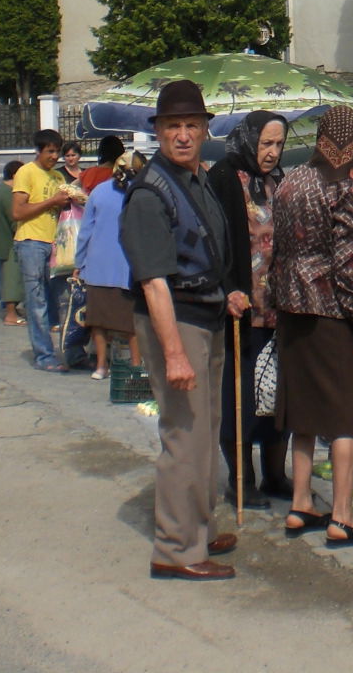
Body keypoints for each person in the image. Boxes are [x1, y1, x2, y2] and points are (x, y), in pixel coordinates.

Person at [120, 81, 241, 580]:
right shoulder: (150, 194)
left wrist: (227, 289)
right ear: (158, 132)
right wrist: (173, 354)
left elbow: (206, 248)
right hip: (178, 322)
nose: (184, 135)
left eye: (192, 125)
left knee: (204, 432)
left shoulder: (195, 180)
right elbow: (153, 283)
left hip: (205, 314)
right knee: (183, 436)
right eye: (174, 126)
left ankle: (200, 527)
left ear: (205, 129)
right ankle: (175, 550)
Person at [270, 105, 353, 547]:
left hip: (290, 311)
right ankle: (342, 515)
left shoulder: (289, 182)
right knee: (341, 418)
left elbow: (278, 250)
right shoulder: (346, 191)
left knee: (301, 413)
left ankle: (301, 504)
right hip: (330, 314)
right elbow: (347, 270)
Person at [209, 110, 288, 507]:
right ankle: (242, 479)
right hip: (241, 309)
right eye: (265, 144)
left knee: (276, 394)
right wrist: (227, 288)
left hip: (277, 310)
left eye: (278, 144)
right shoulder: (223, 178)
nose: (272, 152)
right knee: (239, 397)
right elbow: (212, 242)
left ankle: (276, 473)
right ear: (249, 140)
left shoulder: (280, 181)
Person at [74, 147, 140, 381]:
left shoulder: (99, 192)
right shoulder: (140, 193)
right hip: (129, 267)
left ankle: (101, 366)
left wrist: (79, 261)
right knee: (130, 323)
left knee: (99, 321)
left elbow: (86, 231)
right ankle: (135, 367)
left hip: (98, 264)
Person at [12, 130, 74, 371]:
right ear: (38, 151)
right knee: (36, 300)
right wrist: (52, 202)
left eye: (57, 151)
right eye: (50, 151)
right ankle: (44, 355)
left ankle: (70, 351)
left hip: (55, 244)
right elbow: (18, 212)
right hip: (31, 241)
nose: (55, 156)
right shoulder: (26, 172)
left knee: (62, 299)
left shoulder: (58, 177)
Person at [0, 159, 25, 325]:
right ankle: (11, 314)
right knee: (12, 278)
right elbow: (14, 219)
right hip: (10, 242)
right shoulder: (7, 193)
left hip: (4, 240)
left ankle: (12, 310)